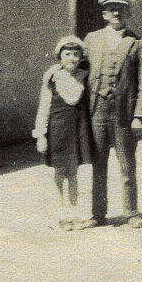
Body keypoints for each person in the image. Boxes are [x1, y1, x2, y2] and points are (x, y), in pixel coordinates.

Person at [83, 0, 142, 229]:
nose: (116, 14)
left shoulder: (137, 43)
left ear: (128, 13)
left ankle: (131, 212)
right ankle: (98, 214)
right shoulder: (91, 39)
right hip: (97, 111)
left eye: (121, 10)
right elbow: (80, 72)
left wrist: (139, 115)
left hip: (124, 113)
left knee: (127, 164)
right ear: (104, 14)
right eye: (112, 10)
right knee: (98, 164)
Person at [31, 36, 94, 231]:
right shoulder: (52, 78)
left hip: (77, 130)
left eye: (76, 54)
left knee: (73, 173)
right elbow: (44, 106)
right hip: (57, 130)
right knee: (59, 172)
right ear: (60, 56)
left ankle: (74, 214)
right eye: (67, 54)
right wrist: (41, 134)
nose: (72, 58)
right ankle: (61, 214)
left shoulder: (84, 77)